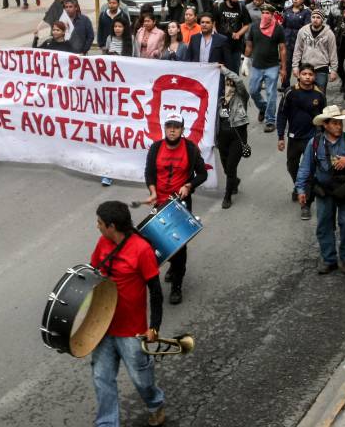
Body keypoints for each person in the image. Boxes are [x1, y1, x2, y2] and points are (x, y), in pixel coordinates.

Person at [90, 201, 167, 427]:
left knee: (142, 380)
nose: (97, 226)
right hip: (103, 327)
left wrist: (154, 327)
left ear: (111, 226)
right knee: (101, 377)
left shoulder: (141, 250)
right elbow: (93, 273)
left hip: (132, 331)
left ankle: (155, 404)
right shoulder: (103, 243)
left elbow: (156, 291)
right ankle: (107, 423)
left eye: (100, 223)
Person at [295, 105, 345, 275]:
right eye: (335, 123)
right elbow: (305, 168)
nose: (339, 126)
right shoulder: (314, 143)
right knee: (324, 226)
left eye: (340, 123)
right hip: (324, 192)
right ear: (325, 125)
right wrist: (301, 190)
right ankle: (329, 260)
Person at [143, 114, 207, 305]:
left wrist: (189, 185)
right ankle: (172, 265)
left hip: (180, 203)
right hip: (160, 203)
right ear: (164, 128)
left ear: (182, 130)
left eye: (176, 126)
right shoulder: (156, 148)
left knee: (179, 245)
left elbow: (202, 174)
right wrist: (152, 192)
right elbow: (149, 173)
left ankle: (177, 286)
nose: (172, 130)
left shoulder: (190, 149)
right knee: (158, 241)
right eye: (169, 126)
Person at [277, 64, 327, 220]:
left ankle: (305, 205)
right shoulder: (290, 92)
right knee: (292, 166)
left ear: (314, 76)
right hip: (293, 138)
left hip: (312, 139)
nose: (307, 77)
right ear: (298, 75)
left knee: (308, 171)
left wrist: (324, 139)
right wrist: (280, 137)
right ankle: (298, 186)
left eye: (310, 74)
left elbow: (324, 118)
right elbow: (282, 114)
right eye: (304, 74)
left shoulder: (319, 95)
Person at [245, 4, 287, 131]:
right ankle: (263, 108)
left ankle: (270, 120)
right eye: (263, 12)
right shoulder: (254, 27)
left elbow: (282, 49)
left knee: (271, 93)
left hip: (272, 66)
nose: (265, 15)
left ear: (272, 14)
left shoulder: (278, 28)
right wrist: (245, 61)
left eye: (268, 13)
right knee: (253, 91)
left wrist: (283, 68)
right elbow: (249, 45)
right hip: (256, 65)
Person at [217, 66, 250, 209]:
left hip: (237, 137)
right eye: (227, 84)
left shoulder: (241, 97)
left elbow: (239, 81)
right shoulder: (219, 101)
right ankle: (234, 181)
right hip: (222, 138)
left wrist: (223, 70)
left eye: (232, 84)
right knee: (226, 168)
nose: (229, 86)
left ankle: (227, 196)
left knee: (231, 167)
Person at [292, 9, 339, 96]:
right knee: (303, 94)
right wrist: (295, 66)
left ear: (322, 19)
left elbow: (333, 53)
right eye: (313, 17)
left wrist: (334, 70)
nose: (315, 19)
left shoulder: (329, 34)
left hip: (321, 68)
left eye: (318, 17)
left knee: (320, 95)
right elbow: (297, 50)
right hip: (306, 67)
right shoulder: (303, 31)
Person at [214, 0, 251, 73]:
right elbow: (213, 23)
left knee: (234, 72)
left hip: (236, 46)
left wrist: (238, 33)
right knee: (220, 71)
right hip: (221, 45)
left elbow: (246, 25)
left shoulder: (241, 7)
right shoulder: (220, 6)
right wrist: (216, 35)